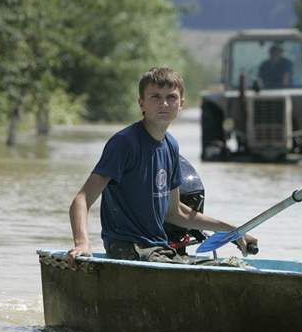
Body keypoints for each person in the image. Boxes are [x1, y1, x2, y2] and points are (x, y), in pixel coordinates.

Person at [68, 66, 255, 264]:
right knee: (221, 268)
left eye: (171, 97)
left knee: (236, 264)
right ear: (142, 103)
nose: (164, 104)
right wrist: (82, 243)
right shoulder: (125, 143)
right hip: (129, 248)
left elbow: (175, 213)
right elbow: (82, 199)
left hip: (159, 248)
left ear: (181, 104)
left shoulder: (171, 145)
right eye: (155, 97)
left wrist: (233, 230)